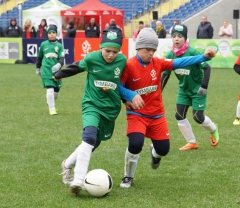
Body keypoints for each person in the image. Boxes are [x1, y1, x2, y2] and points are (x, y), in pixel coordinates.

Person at [118, 28, 216, 188]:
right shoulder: (128, 65)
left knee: (163, 150)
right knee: (135, 143)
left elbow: (181, 62)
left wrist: (203, 57)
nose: (150, 53)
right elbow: (119, 87)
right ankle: (128, 176)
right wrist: (130, 95)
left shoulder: (158, 63)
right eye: (147, 50)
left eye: (153, 50)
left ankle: (154, 154)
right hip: (136, 114)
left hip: (156, 115)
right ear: (138, 47)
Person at [55, 27, 143, 195]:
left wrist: (127, 99)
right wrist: (59, 75)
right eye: (107, 50)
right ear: (101, 47)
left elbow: (121, 84)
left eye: (114, 51)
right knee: (88, 136)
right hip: (91, 105)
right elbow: (75, 67)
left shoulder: (122, 61)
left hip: (110, 109)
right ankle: (78, 179)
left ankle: (67, 164)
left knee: (93, 143)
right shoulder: (92, 58)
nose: (110, 55)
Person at [161, 24, 219, 150]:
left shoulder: (192, 52)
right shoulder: (170, 54)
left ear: (185, 38)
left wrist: (204, 86)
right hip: (184, 90)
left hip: (198, 90)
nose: (176, 39)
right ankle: (192, 142)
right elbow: (165, 74)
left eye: (180, 36)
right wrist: (158, 92)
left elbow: (207, 67)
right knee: (179, 115)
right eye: (174, 36)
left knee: (198, 118)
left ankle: (213, 129)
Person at [35, 25, 65, 115]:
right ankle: (52, 109)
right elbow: (39, 57)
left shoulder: (59, 46)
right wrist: (37, 67)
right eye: (49, 33)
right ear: (47, 34)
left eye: (53, 33)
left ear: (56, 34)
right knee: (50, 89)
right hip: (46, 71)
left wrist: (58, 64)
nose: (51, 34)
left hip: (56, 71)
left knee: (56, 91)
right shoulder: (43, 44)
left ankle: (50, 99)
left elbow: (62, 58)